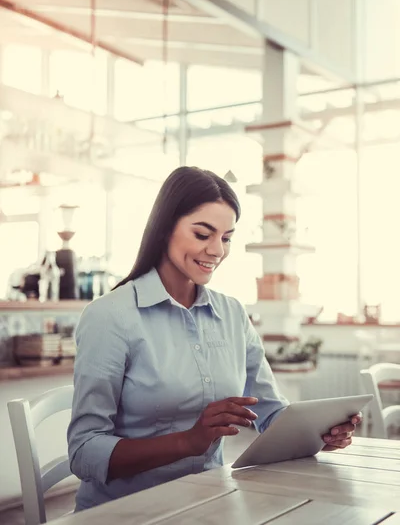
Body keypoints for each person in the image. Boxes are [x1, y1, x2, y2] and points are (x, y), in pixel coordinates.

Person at [67, 166, 361, 512]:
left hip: (209, 503)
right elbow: (84, 452)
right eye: (203, 234)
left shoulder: (232, 314)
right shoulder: (110, 317)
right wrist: (189, 441)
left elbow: (269, 412)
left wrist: (317, 434)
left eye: (226, 238)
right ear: (164, 229)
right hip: (124, 512)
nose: (217, 251)